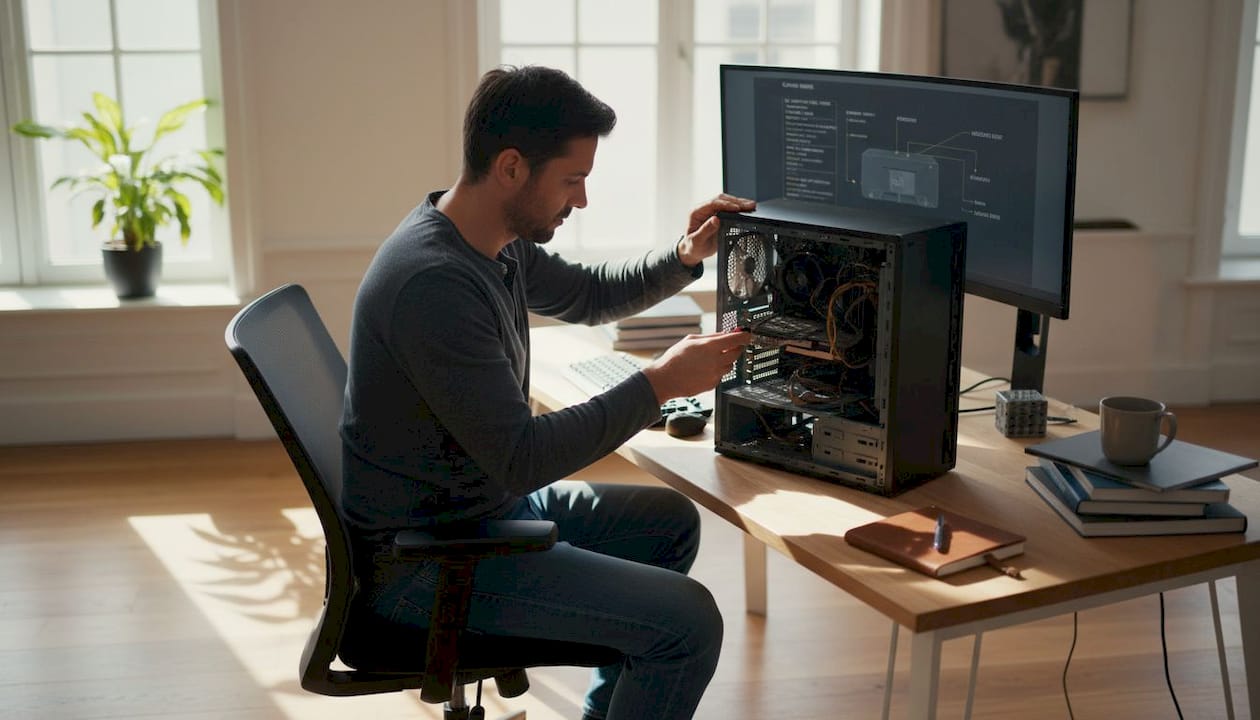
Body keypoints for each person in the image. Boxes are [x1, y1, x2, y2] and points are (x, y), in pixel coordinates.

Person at [340, 64, 753, 720]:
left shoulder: (489, 240)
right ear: (511, 168)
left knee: (667, 526)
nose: (581, 200)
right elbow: (522, 457)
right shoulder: (434, 286)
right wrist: (659, 384)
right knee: (688, 623)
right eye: (573, 180)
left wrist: (685, 254)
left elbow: (590, 297)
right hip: (430, 563)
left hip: (477, 510)